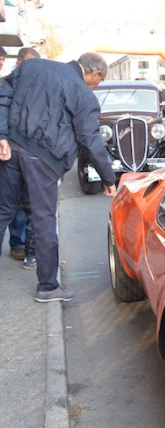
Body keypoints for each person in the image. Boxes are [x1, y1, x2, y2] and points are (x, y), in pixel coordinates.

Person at [0, 52, 117, 302]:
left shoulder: (32, 66)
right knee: (44, 220)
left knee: (3, 211)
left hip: (12, 148)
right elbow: (91, 141)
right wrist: (108, 178)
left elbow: (4, 95)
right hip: (43, 160)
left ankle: (48, 285)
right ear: (95, 72)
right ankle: (47, 286)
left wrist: (2, 135)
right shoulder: (84, 95)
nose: (97, 84)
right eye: (100, 79)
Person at [6, 47, 40, 266]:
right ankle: (18, 245)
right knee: (15, 207)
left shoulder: (40, 88)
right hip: (9, 154)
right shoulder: (7, 85)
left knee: (30, 206)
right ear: (18, 65)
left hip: (32, 155)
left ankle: (29, 250)